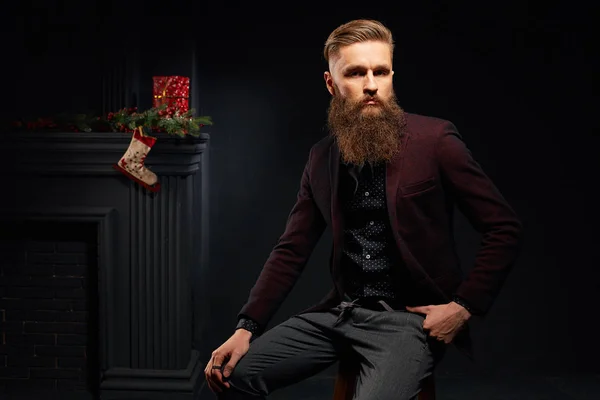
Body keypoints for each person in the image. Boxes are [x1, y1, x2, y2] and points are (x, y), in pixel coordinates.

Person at [204, 18, 523, 400]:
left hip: (408, 322)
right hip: (340, 314)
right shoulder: (321, 158)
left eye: (381, 72)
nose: (371, 85)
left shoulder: (435, 140)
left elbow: (504, 228)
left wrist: (463, 306)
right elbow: (291, 249)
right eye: (356, 73)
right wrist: (246, 328)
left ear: (391, 75)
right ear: (331, 84)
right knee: (231, 376)